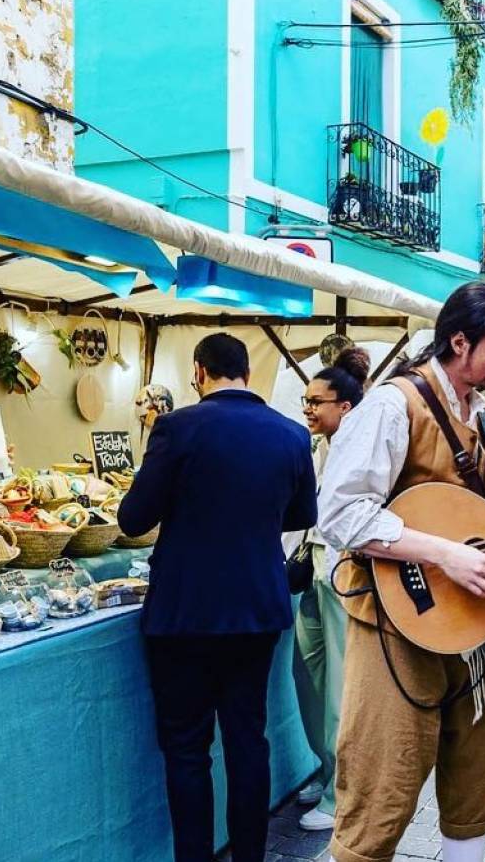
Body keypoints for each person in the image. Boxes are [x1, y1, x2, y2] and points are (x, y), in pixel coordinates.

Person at [316, 282, 485, 862]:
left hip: (468, 630)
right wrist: (445, 554)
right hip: (394, 623)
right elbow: (338, 514)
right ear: (459, 342)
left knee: (474, 773)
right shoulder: (391, 405)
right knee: (382, 777)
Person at [117, 333, 317, 862]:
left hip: (184, 612)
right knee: (248, 741)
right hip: (256, 607)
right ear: (246, 374)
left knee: (187, 750)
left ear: (200, 373)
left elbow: (133, 518)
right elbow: (301, 517)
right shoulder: (294, 435)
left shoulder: (177, 427)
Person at [289, 347, 371, 832]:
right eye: (305, 399)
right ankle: (325, 769)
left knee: (342, 684)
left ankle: (342, 792)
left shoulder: (361, 451)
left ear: (345, 406)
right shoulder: (317, 447)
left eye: (317, 400)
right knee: (309, 677)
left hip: (345, 574)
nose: (308, 408)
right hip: (314, 568)